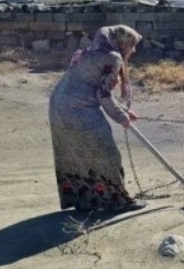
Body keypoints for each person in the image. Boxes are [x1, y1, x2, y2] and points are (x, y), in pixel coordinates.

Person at [49, 25, 146, 212]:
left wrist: (123, 111)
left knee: (76, 154)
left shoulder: (92, 51)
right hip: (78, 110)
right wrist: (121, 117)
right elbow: (103, 95)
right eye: (132, 45)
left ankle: (85, 201)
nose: (133, 50)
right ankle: (118, 202)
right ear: (123, 42)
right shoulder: (112, 57)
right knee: (107, 152)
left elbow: (98, 87)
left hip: (59, 107)